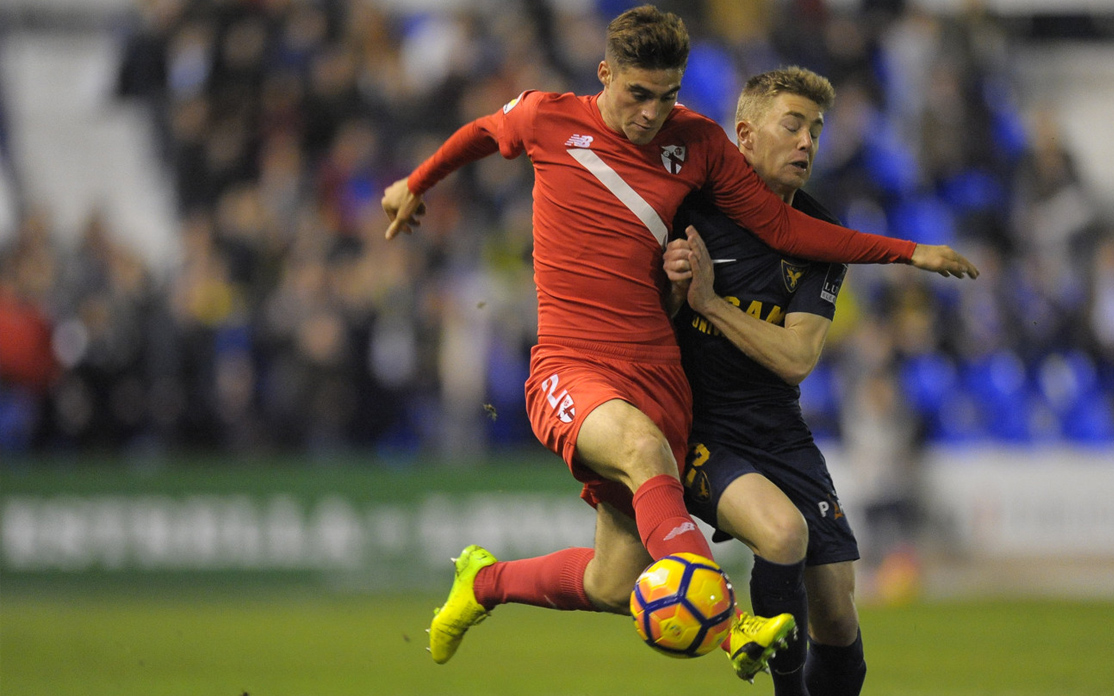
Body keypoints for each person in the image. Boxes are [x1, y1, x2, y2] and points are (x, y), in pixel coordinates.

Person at [382, 5, 977, 681]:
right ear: (606, 73)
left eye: (666, 97)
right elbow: (482, 133)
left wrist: (909, 252)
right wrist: (414, 183)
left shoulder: (696, 142)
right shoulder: (547, 116)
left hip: (659, 377)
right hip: (571, 367)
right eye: (637, 95)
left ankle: (482, 584)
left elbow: (785, 231)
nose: (650, 114)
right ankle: (731, 627)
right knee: (642, 450)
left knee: (613, 582)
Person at [664, 67, 916, 695]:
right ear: (745, 135)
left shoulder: (819, 238)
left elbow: (798, 357)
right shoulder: (689, 214)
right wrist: (673, 295)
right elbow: (650, 320)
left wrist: (711, 304)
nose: (807, 141)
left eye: (817, 129)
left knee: (837, 616)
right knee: (783, 535)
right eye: (793, 124)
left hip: (781, 434)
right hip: (702, 433)